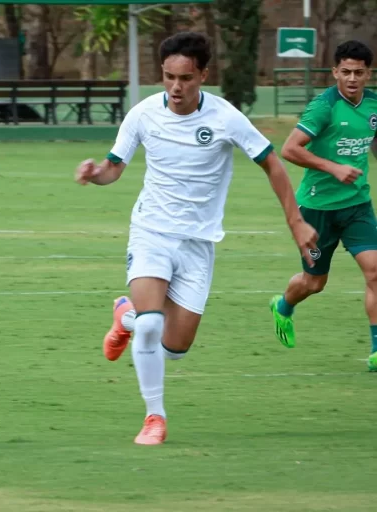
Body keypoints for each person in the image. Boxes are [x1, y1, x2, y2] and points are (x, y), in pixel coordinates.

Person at [75, 32, 318, 445]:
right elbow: (114, 167)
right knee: (153, 328)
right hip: (151, 231)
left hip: (198, 244)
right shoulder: (143, 115)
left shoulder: (226, 118)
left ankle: (125, 317)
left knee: (174, 347)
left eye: (185, 78)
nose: (175, 87)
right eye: (168, 77)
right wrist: (95, 174)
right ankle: (155, 418)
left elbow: (273, 164)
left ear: (203, 75)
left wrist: (295, 222)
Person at [269, 40, 377, 371]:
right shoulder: (324, 107)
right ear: (334, 72)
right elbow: (289, 149)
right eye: (345, 72)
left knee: (375, 271)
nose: (352, 78)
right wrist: (334, 168)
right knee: (314, 282)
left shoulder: (373, 104)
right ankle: (283, 305)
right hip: (317, 210)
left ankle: (376, 351)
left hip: (358, 204)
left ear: (369, 74)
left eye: (359, 72)